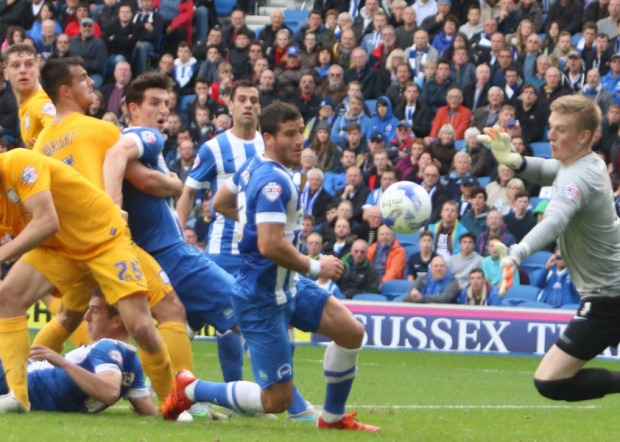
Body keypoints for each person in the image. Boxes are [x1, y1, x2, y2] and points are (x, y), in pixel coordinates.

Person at [163, 102, 379, 432]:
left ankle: (332, 419)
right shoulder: (273, 183)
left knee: (352, 332)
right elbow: (269, 244)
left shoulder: (253, 165)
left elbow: (220, 202)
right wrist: (314, 266)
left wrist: (253, 223)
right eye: (289, 134)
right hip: (261, 296)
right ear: (268, 138)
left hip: (287, 284)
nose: (299, 141)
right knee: (276, 400)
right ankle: (189, 388)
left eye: (300, 132)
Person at [174, 80, 315, 420]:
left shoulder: (274, 146)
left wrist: (265, 225)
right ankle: (239, 396)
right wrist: (181, 239)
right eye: (242, 99)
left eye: (254, 99)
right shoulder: (214, 148)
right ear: (230, 105)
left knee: (278, 321)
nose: (249, 105)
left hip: (264, 253)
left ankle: (247, 399)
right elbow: (189, 194)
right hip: (225, 250)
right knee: (230, 324)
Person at [0, 146, 174, 414]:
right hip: (59, 249)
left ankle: (171, 403)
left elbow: (47, 221)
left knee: (140, 326)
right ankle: (19, 397)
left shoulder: (19, 163)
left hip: (103, 239)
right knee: (8, 297)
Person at [479, 96, 620, 404]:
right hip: (611, 290)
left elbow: (554, 219)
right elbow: (549, 168)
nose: (551, 136)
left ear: (584, 136)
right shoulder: (589, 161)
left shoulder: (577, 177)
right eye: (550, 128)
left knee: (550, 381)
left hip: (609, 298)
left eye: (560, 130)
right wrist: (515, 161)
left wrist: (517, 253)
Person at [0, 292, 157, 414]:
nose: (86, 317)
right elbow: (147, 410)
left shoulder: (108, 347)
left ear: (117, 321)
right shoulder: (132, 362)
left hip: (18, 379)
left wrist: (62, 362)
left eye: (94, 311)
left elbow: (110, 392)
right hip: (16, 376)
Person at [3, 43, 56, 149]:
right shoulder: (26, 105)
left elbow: (62, 129)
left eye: (29, 64)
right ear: (6, 74)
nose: (23, 70)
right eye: (16, 65)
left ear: (38, 70)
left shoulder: (40, 102)